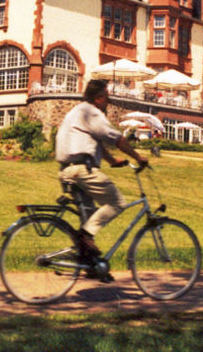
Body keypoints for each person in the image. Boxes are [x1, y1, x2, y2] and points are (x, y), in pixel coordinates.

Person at [56, 79, 148, 265]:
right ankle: (86, 236)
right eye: (107, 97)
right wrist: (138, 157)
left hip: (67, 170)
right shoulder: (92, 113)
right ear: (98, 98)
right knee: (117, 203)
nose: (108, 101)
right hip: (81, 170)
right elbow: (117, 139)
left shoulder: (76, 110)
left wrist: (112, 161)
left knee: (90, 216)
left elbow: (94, 140)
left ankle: (89, 264)